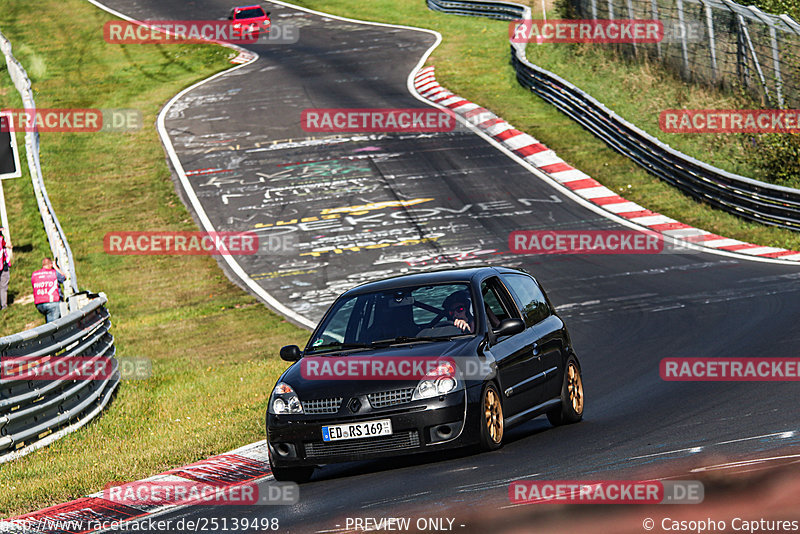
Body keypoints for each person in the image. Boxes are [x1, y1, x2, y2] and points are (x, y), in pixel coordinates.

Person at [31, 258, 66, 323]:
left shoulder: (34, 275)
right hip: (52, 302)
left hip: (39, 304)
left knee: (49, 322)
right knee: (53, 326)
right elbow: (63, 277)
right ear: (51, 265)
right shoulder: (54, 273)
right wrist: (56, 267)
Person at [0, 227, 11, 310]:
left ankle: (3, 305)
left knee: (3, 286)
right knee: (3, 287)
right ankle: (4, 305)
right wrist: (5, 234)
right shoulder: (1, 239)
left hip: (3, 266)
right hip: (3, 266)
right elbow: (9, 245)